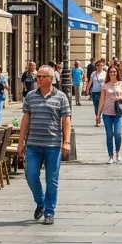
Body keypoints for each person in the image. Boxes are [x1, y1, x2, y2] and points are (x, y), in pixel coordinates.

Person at [18, 65, 71, 225]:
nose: (38, 79)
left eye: (41, 76)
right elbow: (26, 119)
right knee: (31, 176)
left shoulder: (61, 97)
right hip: (33, 144)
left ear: (50, 79)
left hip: (53, 145)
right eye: (37, 77)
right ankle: (40, 202)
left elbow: (66, 120)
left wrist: (66, 142)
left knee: (52, 179)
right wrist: (21, 142)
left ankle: (49, 212)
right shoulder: (30, 96)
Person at [85, 60, 106, 127]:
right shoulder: (93, 73)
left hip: (103, 92)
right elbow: (90, 81)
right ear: (96, 66)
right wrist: (87, 88)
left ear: (103, 66)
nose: (100, 67)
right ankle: (97, 120)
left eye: (101, 65)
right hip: (95, 92)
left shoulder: (105, 73)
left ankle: (103, 118)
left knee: (103, 106)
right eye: (98, 65)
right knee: (96, 106)